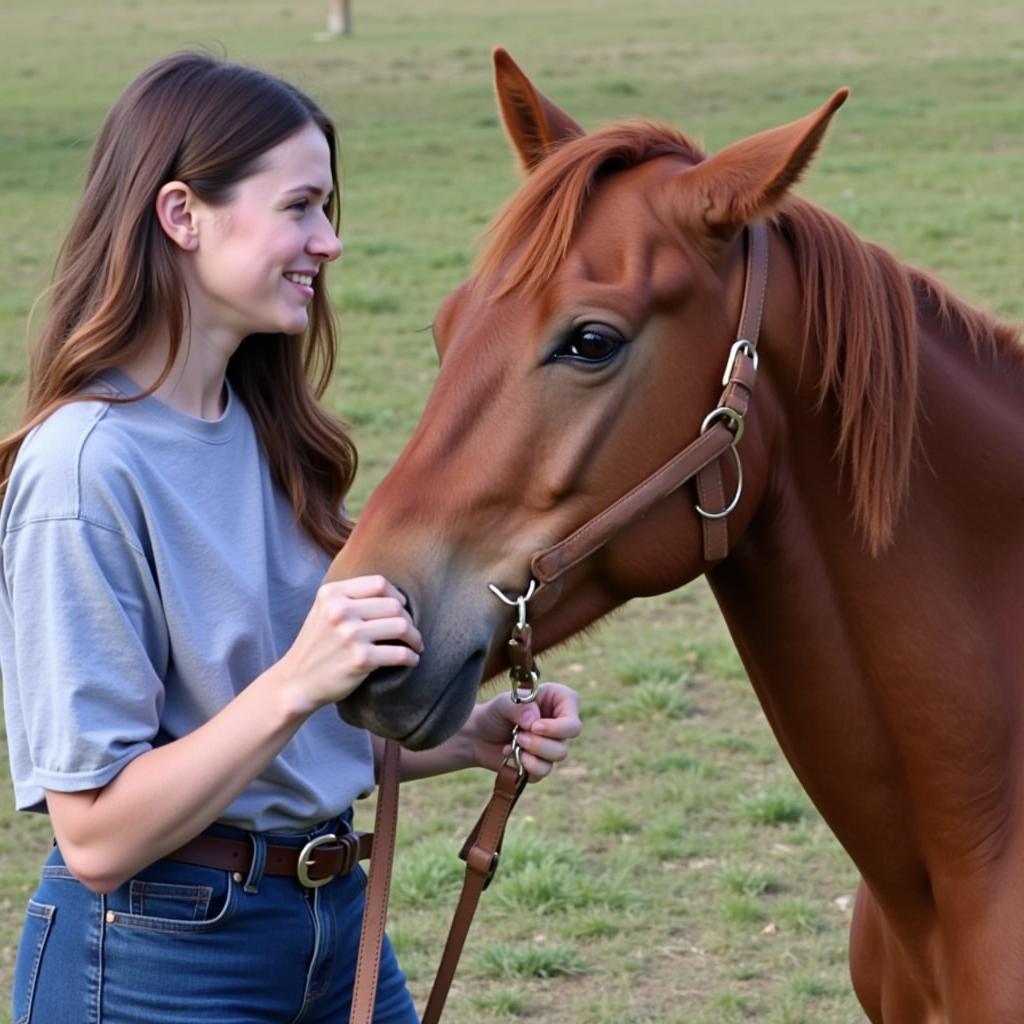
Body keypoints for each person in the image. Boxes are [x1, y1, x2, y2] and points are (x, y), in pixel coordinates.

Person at [0, 52, 582, 1024]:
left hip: (332, 923)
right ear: (182, 215)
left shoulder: (272, 431)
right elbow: (96, 836)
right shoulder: (84, 469)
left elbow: (271, 739)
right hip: (154, 958)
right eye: (301, 206)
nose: (332, 241)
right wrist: (299, 679)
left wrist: (467, 739)